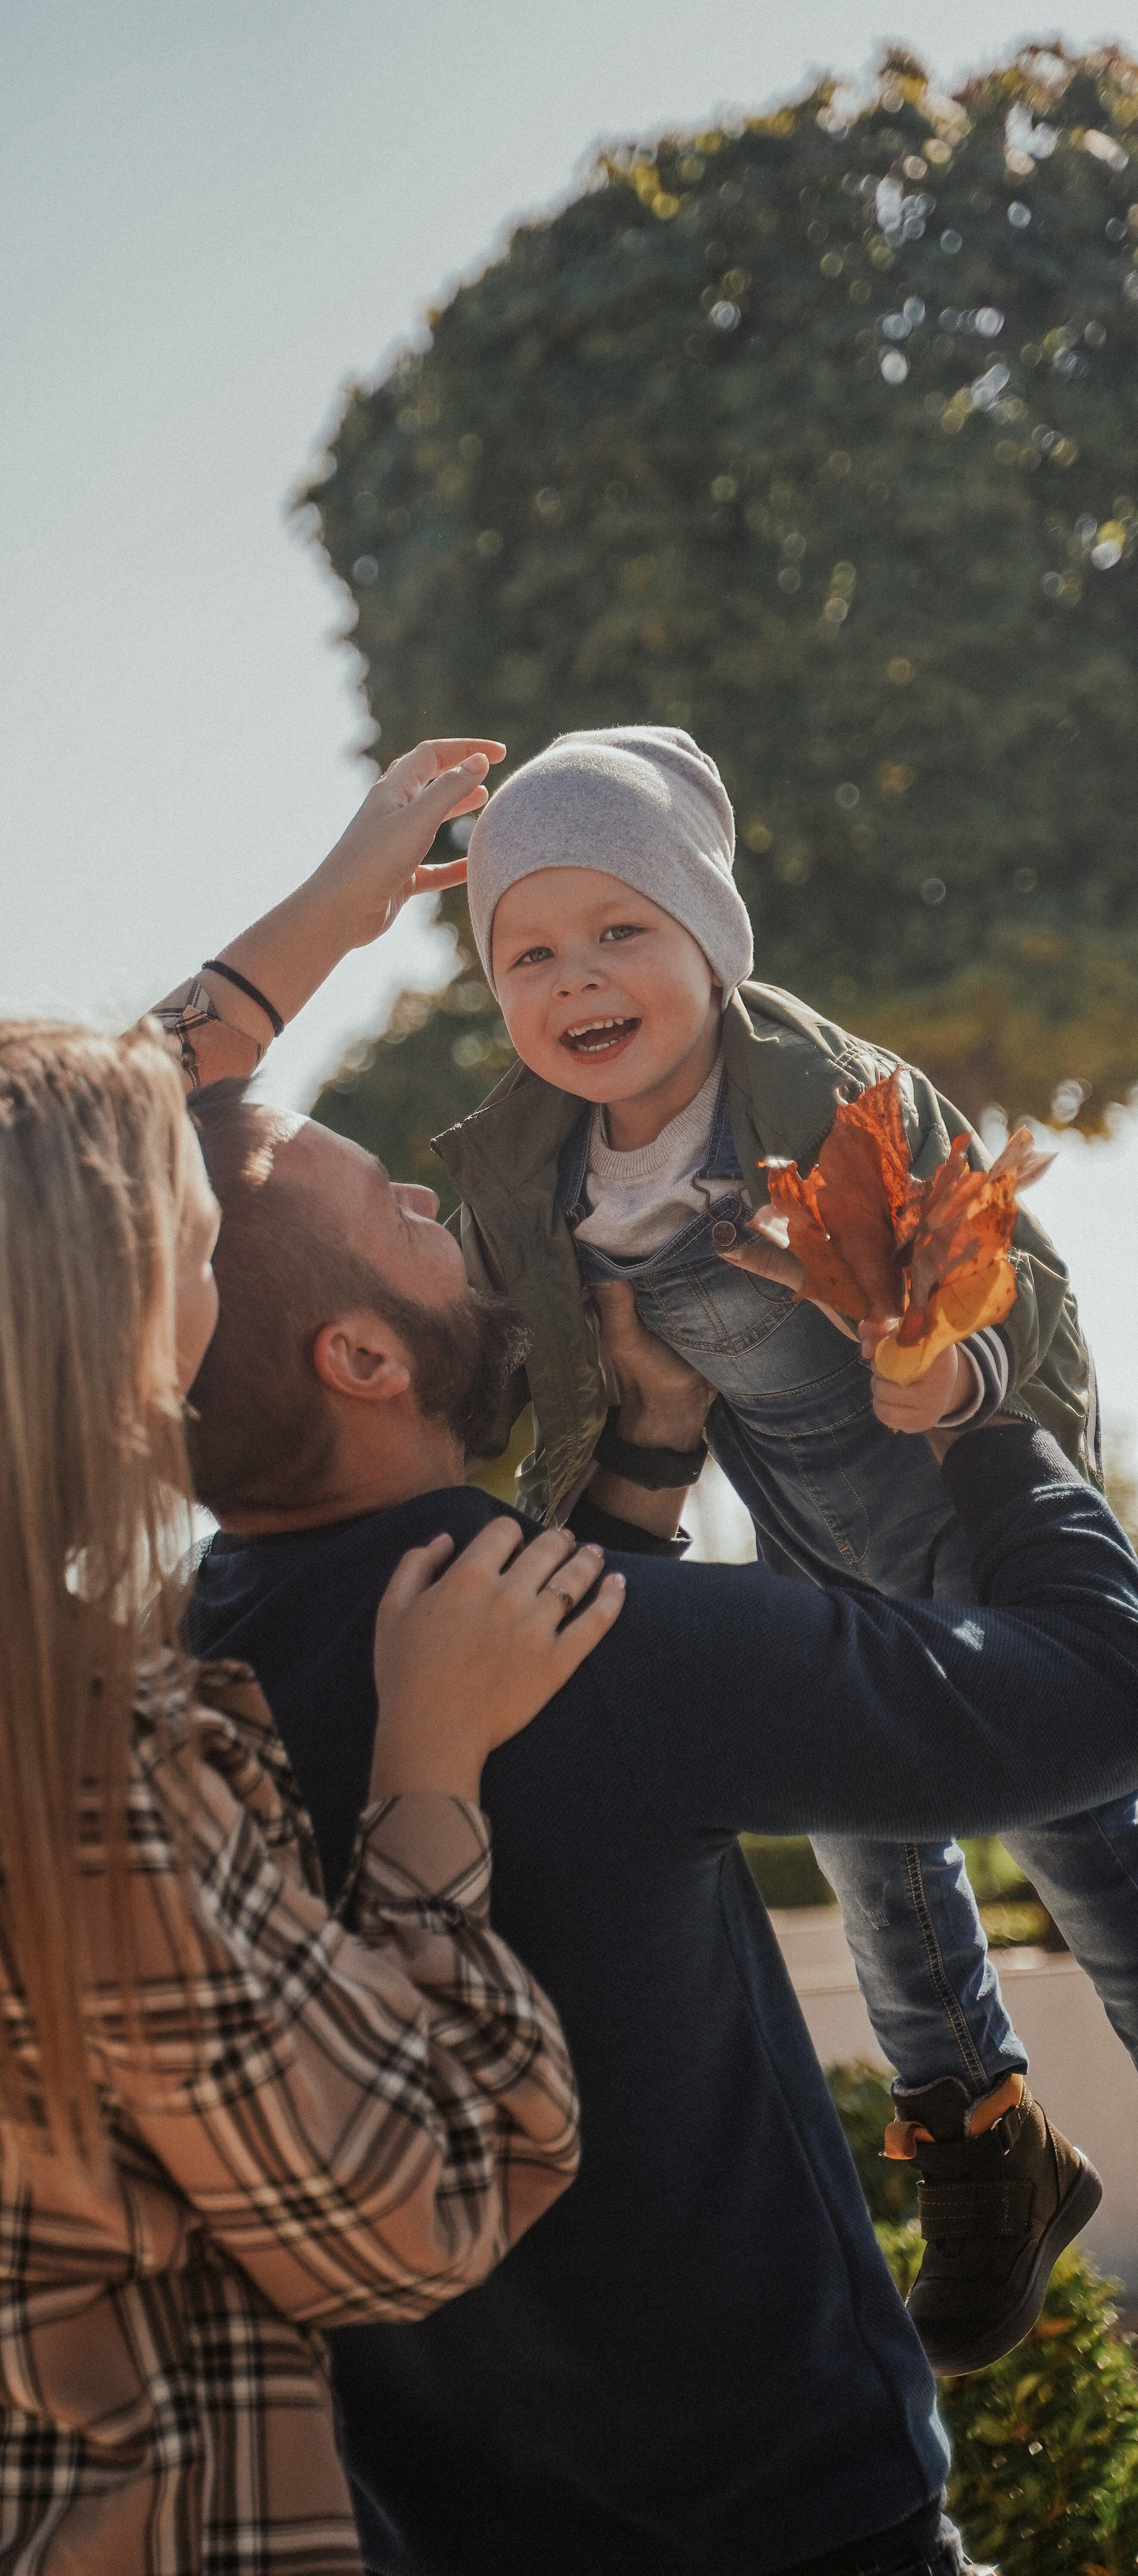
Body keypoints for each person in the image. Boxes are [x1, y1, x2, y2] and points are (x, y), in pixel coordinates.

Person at [0, 741, 616, 2576]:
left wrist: (320, 914)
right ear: (118, 1321)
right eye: (201, 1246)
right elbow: (418, 2202)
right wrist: (429, 1780)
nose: (216, 1284)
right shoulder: (86, 1782)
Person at [183, 1081, 1138, 2576]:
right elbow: (1096, 1689)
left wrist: (643, 1454)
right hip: (791, 2526)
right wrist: (972, 1402)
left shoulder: (178, 1682)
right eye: (395, 1210)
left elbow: (557, 1804)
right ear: (360, 1356)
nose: (443, 1211)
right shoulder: (620, 1654)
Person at [429, 722, 1132, 2370]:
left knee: (1091, 1841)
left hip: (965, 1518)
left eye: (620, 932)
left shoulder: (829, 1089)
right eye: (530, 951)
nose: (576, 977)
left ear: (706, 942)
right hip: (815, 1558)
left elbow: (1013, 1277)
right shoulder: (527, 1179)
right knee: (869, 1848)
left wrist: (939, 1370)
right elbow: (495, 1382)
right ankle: (979, 2147)